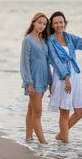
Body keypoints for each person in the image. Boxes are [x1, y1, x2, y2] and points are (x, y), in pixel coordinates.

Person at [47, 11, 82, 143]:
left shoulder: (69, 37)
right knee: (64, 112)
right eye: (56, 23)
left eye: (61, 22)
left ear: (65, 23)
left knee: (81, 110)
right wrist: (66, 79)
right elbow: (56, 61)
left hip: (75, 76)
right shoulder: (50, 41)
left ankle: (61, 135)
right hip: (62, 78)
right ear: (52, 25)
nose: (59, 25)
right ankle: (65, 147)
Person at [20, 12, 52, 144]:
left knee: (32, 109)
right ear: (33, 22)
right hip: (33, 80)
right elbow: (24, 63)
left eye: (44, 24)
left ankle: (29, 137)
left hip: (43, 79)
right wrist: (29, 83)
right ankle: (43, 143)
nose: (42, 26)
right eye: (39, 22)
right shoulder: (27, 40)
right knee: (38, 113)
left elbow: (46, 62)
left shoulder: (43, 40)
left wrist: (50, 81)